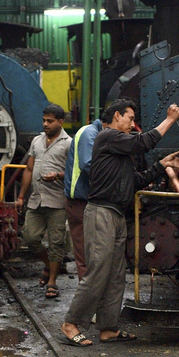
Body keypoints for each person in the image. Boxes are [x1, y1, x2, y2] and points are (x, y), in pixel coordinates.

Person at [60, 99, 179, 346]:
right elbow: (144, 142)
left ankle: (108, 328)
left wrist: (162, 165)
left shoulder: (119, 151)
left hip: (117, 214)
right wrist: (170, 119)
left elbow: (137, 181)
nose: (132, 124)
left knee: (116, 275)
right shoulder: (107, 137)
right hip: (101, 213)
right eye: (130, 118)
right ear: (117, 116)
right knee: (97, 270)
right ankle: (71, 323)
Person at [16, 104, 71, 298]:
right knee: (30, 237)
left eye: (50, 121)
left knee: (56, 242)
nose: (45, 124)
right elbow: (29, 169)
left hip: (56, 201)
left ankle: (52, 282)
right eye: (44, 120)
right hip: (36, 200)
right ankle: (49, 265)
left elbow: (74, 173)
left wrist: (57, 175)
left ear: (60, 122)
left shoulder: (68, 143)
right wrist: (21, 196)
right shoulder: (37, 141)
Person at [63, 115, 102, 280]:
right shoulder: (89, 134)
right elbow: (87, 164)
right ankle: (87, 297)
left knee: (91, 253)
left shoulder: (95, 134)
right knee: (85, 255)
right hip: (81, 201)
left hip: (88, 199)